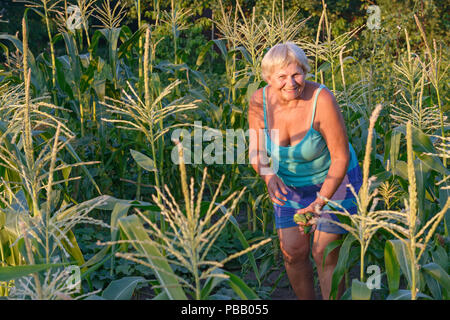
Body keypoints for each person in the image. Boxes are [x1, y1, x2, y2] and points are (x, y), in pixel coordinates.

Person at [248, 42, 362, 300]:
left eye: (297, 74)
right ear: (268, 78)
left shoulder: (321, 99)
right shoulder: (259, 101)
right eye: (282, 77)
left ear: (305, 72)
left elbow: (340, 157)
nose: (291, 83)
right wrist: (268, 175)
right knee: (292, 253)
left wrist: (321, 201)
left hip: (335, 181)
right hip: (291, 185)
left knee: (324, 252)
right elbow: (255, 150)